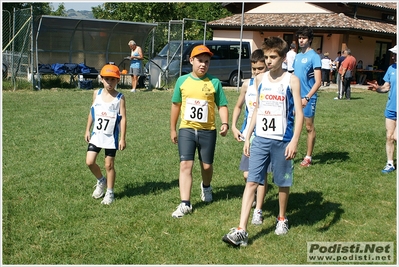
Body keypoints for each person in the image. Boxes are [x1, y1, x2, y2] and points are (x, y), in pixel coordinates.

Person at [222, 36, 304, 247]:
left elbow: (299, 114)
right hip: (260, 139)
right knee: (251, 181)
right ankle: (241, 230)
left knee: (282, 181)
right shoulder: (259, 80)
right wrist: (248, 135)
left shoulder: (291, 80)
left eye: (273, 57)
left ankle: (282, 218)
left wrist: (294, 140)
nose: (268, 61)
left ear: (283, 58)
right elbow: (256, 109)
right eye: (266, 57)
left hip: (283, 140)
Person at [170, 44, 229, 218]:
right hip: (186, 129)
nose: (203, 64)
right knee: (185, 164)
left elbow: (222, 105)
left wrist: (224, 122)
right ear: (191, 61)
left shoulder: (214, 82)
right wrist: (172, 129)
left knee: (207, 165)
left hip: (207, 131)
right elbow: (175, 105)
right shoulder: (182, 81)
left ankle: (206, 186)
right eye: (199, 61)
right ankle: (185, 203)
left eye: (207, 61)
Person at [231, 49, 268, 225]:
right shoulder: (247, 85)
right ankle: (253, 197)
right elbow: (238, 106)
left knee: (260, 175)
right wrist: (233, 126)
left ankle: (258, 210)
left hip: (266, 135)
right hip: (249, 135)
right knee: (247, 174)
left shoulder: (271, 85)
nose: (256, 72)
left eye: (260, 69)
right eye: (253, 69)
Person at [85, 64, 127, 205]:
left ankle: (110, 192)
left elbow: (123, 119)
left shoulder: (120, 98)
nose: (109, 82)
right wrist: (87, 130)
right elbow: (92, 113)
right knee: (89, 161)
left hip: (111, 138)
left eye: (113, 80)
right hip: (97, 135)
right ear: (101, 79)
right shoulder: (96, 94)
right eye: (107, 79)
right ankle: (101, 181)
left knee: (109, 165)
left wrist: (122, 138)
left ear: (118, 81)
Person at [293, 26, 322, 167]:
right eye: (299, 38)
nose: (301, 40)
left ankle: (308, 157)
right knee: (291, 125)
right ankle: (290, 151)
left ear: (310, 39)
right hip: (294, 97)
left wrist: (307, 98)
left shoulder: (314, 57)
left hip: (307, 98)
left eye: (304, 38)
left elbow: (318, 82)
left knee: (308, 127)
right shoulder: (297, 56)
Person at [367, 45, 397, 174]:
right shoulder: (391, 68)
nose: (393, 56)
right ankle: (390, 163)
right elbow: (386, 87)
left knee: (396, 136)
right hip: (391, 108)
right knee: (389, 136)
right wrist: (378, 88)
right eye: (393, 54)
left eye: (396, 54)